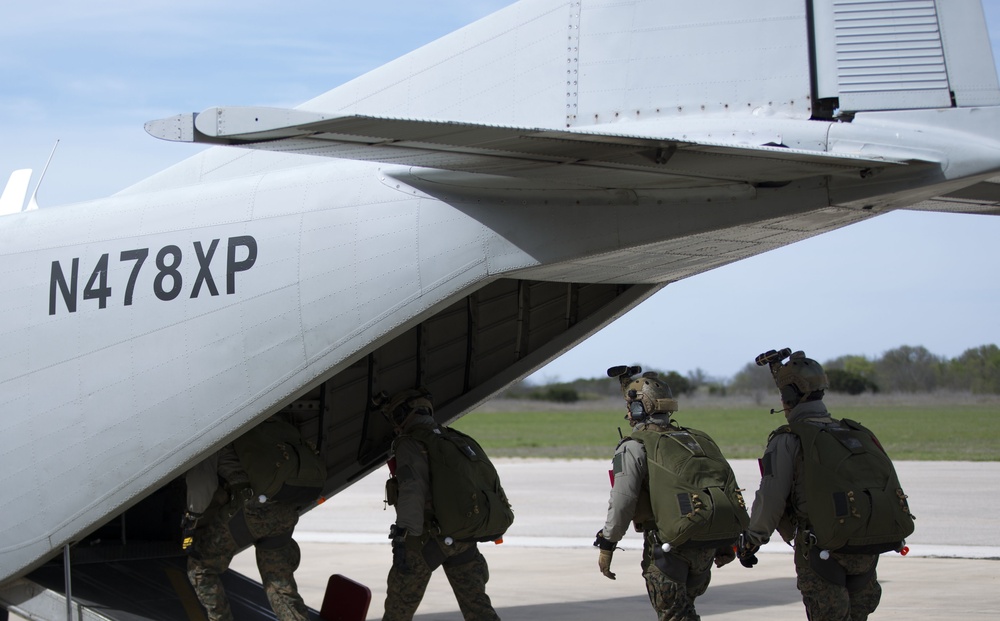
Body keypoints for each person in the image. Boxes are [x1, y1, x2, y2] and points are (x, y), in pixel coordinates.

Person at [741, 350, 894, 621]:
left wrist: (752, 541)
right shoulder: (853, 431)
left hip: (823, 553)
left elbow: (771, 496)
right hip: (865, 550)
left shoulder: (788, 439)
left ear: (788, 396)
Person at [595, 367, 746, 621]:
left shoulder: (634, 446)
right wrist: (724, 543)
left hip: (667, 547)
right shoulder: (696, 439)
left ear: (640, 408)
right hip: (704, 548)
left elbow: (623, 500)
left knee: (674, 615)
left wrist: (608, 544)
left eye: (631, 407)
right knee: (685, 610)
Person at [379, 388, 502, 621]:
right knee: (478, 608)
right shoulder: (453, 438)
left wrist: (403, 539)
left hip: (427, 539)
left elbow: (411, 490)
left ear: (406, 414)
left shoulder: (410, 443)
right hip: (462, 538)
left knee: (398, 610)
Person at [184, 413, 314, 621]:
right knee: (278, 585)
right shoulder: (269, 422)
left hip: (250, 510)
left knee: (201, 568)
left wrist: (191, 518)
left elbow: (202, 483)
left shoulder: (216, 428)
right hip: (284, 511)